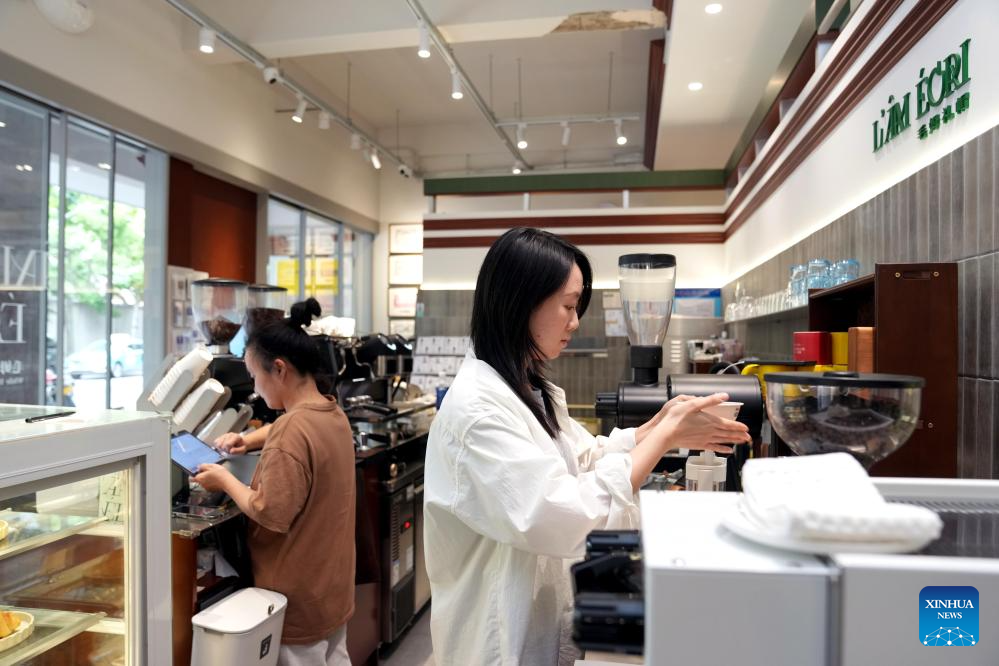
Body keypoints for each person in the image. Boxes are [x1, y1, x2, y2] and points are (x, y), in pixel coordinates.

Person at [424, 228, 751, 666]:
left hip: (540, 625)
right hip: (498, 643)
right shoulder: (478, 412)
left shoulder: (525, 387)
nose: (575, 322)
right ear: (520, 301)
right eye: (568, 305)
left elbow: (582, 456)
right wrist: (664, 437)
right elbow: (561, 513)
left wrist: (654, 429)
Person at [194, 298, 355, 666]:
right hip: (331, 590)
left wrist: (224, 479)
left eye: (255, 375)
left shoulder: (291, 430)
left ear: (279, 369)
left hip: (296, 597)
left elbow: (271, 512)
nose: (255, 386)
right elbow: (294, 428)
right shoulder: (331, 411)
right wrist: (247, 439)